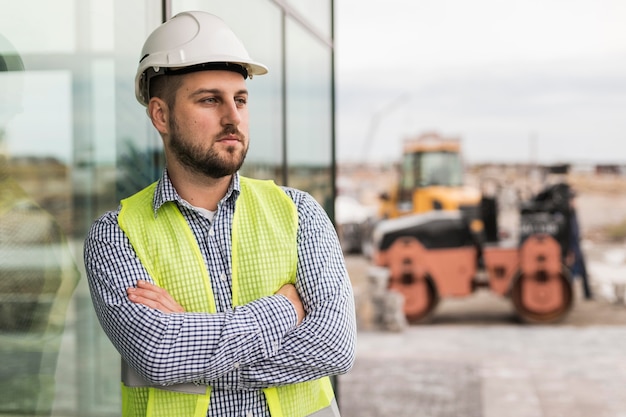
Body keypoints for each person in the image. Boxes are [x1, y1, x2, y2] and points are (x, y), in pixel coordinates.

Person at [83, 10, 356, 417]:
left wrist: (192, 348)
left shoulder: (299, 213)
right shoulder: (115, 234)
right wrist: (284, 309)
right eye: (210, 99)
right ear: (161, 115)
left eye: (240, 100)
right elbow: (158, 353)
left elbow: (334, 346)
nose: (233, 117)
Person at [567, 189, 593, 300]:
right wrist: (570, 252)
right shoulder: (567, 215)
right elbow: (570, 235)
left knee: (583, 272)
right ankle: (567, 296)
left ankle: (588, 294)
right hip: (573, 249)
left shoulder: (573, 213)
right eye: (572, 199)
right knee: (571, 274)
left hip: (577, 247)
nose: (574, 202)